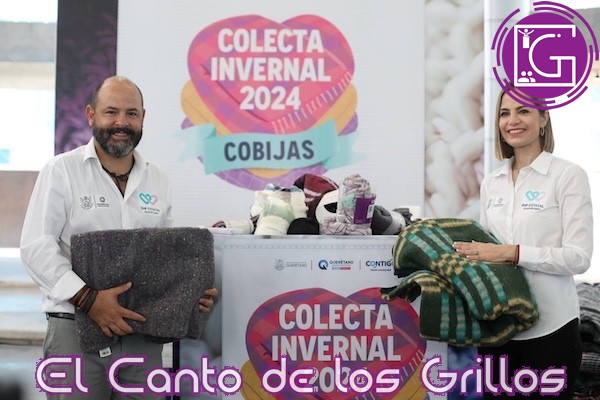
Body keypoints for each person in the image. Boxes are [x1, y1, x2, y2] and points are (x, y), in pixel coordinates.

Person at [20, 76, 218, 400]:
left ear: (143, 118)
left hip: (142, 334)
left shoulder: (158, 179)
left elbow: (164, 257)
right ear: (91, 115)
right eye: (111, 112)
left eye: (131, 113)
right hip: (74, 328)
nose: (121, 123)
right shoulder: (61, 171)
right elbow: (35, 248)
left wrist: (189, 293)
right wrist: (89, 300)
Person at [454, 89, 593, 399]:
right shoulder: (492, 182)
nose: (512, 120)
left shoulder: (567, 176)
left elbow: (579, 257)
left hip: (551, 329)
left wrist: (513, 253)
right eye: (504, 113)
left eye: (524, 111)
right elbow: (487, 251)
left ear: (543, 119)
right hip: (497, 329)